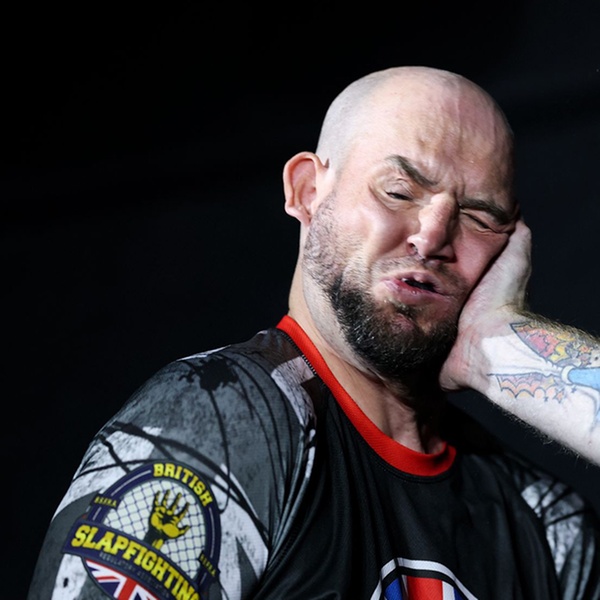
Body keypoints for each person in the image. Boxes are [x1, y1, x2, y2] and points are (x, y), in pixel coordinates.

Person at [28, 66, 600, 600]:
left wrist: (498, 345)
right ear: (307, 191)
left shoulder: (544, 522)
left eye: (478, 217)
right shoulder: (222, 420)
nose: (431, 237)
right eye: (398, 191)